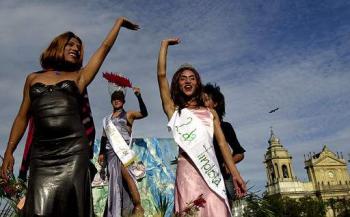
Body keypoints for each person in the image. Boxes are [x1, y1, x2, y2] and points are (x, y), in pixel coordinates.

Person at [0, 17, 139, 217]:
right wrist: (9, 150)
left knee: (72, 208)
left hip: (73, 151)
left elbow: (105, 47)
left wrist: (118, 23)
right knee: (39, 209)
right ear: (58, 46)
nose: (75, 48)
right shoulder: (33, 78)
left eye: (79, 47)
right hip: (42, 155)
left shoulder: (80, 77)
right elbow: (22, 116)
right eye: (71, 44)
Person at [156, 38, 247, 217]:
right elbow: (161, 75)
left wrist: (235, 174)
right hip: (187, 173)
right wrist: (164, 45)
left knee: (217, 211)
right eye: (183, 79)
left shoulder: (210, 113)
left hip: (211, 173)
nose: (188, 81)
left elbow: (222, 146)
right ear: (178, 84)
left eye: (192, 78)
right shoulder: (173, 110)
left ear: (198, 83)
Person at [98, 88, 148, 217]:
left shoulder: (128, 114)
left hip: (123, 152)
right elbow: (104, 137)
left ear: (123, 101)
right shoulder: (107, 120)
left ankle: (138, 206)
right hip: (110, 153)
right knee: (115, 182)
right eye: (114, 99)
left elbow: (144, 113)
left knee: (127, 176)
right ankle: (117, 210)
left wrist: (138, 96)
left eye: (119, 98)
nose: (117, 100)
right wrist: (101, 153)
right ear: (111, 101)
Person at [203, 83, 246, 206]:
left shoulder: (226, 127)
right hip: (202, 175)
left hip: (223, 177)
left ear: (215, 104)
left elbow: (239, 153)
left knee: (224, 208)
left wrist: (228, 166)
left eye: (206, 100)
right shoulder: (197, 127)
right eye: (200, 100)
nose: (203, 103)